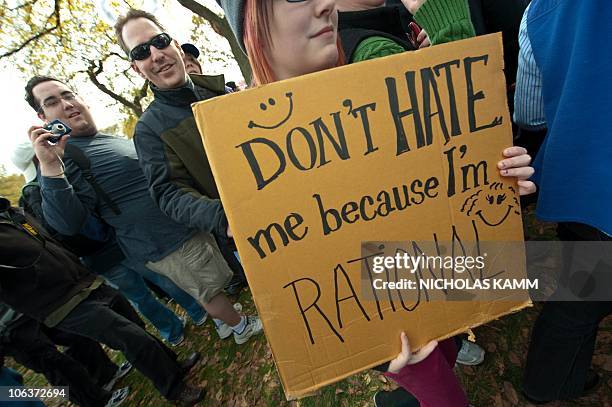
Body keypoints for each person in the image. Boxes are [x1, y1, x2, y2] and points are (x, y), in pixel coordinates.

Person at [218, 0, 536, 405]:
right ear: (250, 24)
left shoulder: (372, 86)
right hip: (374, 315)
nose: (326, 4)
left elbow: (436, 188)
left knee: (451, 345)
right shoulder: (245, 156)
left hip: (427, 275)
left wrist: (495, 185)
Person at [26, 76, 261, 345]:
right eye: (53, 103)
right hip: (163, 240)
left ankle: (224, 322)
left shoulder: (101, 138)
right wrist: (50, 167)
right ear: (43, 117)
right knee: (209, 290)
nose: (67, 104)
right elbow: (67, 223)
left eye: (68, 95)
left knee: (208, 283)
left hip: (179, 225)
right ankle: (240, 327)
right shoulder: (65, 156)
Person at [0, 196, 204, 405]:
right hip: (59, 303)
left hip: (84, 281)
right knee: (128, 336)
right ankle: (174, 389)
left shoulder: (11, 214)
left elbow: (48, 244)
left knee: (135, 324)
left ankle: (173, 366)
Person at [11, 138, 206, 347]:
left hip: (94, 258)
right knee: (162, 278)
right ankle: (197, 311)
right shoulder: (56, 178)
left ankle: (173, 331)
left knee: (139, 297)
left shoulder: (26, 198)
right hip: (116, 241)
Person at [113, 9, 251, 299]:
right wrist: (222, 218)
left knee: (364, 277)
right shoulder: (149, 130)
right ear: (137, 69)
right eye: (141, 51)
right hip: (247, 233)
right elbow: (168, 192)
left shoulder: (220, 92)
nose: (156, 54)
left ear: (175, 44)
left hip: (294, 202)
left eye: (160, 41)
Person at [514, 0, 611, 403]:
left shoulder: (544, 9)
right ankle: (547, 383)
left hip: (583, 190)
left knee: (578, 297)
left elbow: (530, 113)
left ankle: (548, 384)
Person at [1, 302, 131, 407]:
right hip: (9, 332)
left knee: (73, 335)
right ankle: (97, 401)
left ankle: (105, 375)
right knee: (55, 364)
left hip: (28, 306)